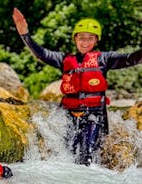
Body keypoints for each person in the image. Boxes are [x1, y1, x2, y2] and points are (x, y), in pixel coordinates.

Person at [12, 7, 142, 166]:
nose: (85, 42)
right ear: (75, 39)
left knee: (86, 156)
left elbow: (130, 58)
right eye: (81, 38)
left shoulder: (104, 59)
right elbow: (41, 54)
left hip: (95, 115)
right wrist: (24, 35)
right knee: (69, 155)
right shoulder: (64, 59)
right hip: (69, 114)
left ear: (96, 41)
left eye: (90, 38)